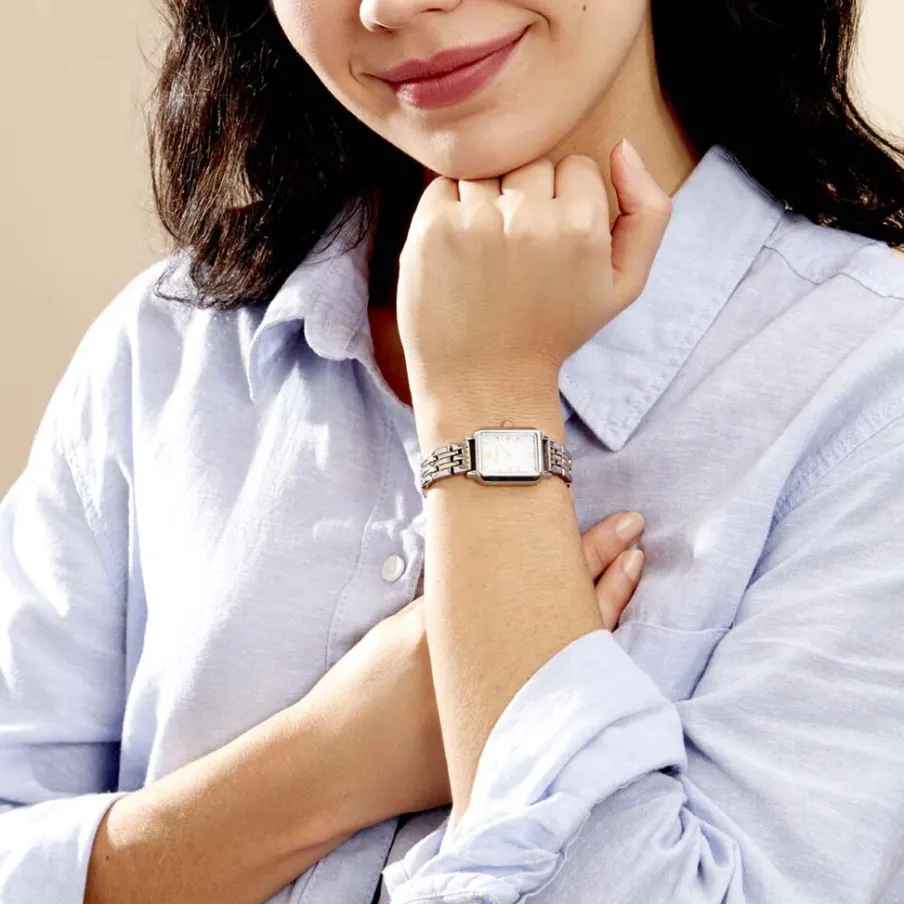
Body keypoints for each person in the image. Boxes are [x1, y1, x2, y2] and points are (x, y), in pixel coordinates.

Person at [2, 0, 904, 902]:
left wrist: (490, 400)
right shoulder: (169, 346)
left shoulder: (869, 390)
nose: (391, 5)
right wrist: (330, 764)